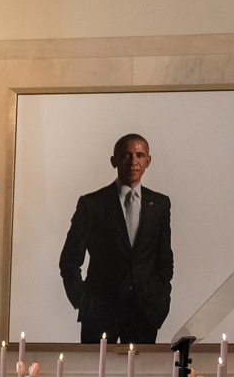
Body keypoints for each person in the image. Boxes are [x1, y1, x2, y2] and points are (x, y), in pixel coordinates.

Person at [59, 133, 173, 344]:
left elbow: (164, 258)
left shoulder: (160, 204)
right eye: (126, 155)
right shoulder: (92, 204)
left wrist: (160, 299)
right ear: (114, 161)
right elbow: (69, 260)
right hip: (99, 312)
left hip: (144, 312)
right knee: (96, 375)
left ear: (148, 161)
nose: (133, 161)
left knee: (139, 376)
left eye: (139, 155)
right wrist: (82, 302)